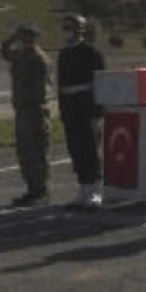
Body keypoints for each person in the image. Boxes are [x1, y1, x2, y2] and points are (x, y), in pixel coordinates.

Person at [58, 14, 108, 211]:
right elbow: (61, 86)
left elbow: (100, 85)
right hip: (70, 107)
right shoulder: (63, 54)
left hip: (87, 107)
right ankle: (83, 187)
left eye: (71, 28)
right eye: (65, 28)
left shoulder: (92, 54)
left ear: (80, 31)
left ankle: (95, 189)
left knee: (90, 149)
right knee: (76, 149)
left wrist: (98, 113)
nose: (67, 32)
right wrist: (63, 111)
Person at [1, 25, 52, 207]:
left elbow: (40, 89)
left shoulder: (38, 59)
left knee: (37, 151)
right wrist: (11, 39)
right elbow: (5, 53)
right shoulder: (21, 56)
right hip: (22, 110)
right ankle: (32, 189)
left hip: (35, 110)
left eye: (25, 38)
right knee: (24, 152)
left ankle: (40, 190)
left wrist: (29, 104)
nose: (22, 41)